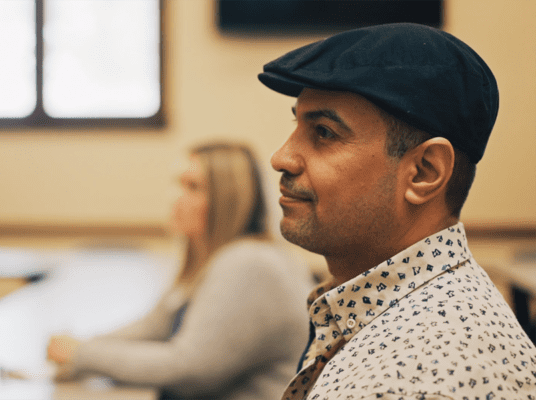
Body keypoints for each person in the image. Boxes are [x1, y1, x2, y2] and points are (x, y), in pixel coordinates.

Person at [257, 23, 536, 399]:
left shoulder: (419, 377)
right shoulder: (401, 316)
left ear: (424, 172)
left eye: (324, 132)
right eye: (297, 125)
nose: (281, 158)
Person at [47, 142, 313, 399]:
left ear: (226, 199)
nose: (175, 197)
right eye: (179, 184)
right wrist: (80, 347)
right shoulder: (213, 257)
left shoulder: (249, 262)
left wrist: (82, 354)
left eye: (193, 187)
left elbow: (189, 369)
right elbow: (153, 327)